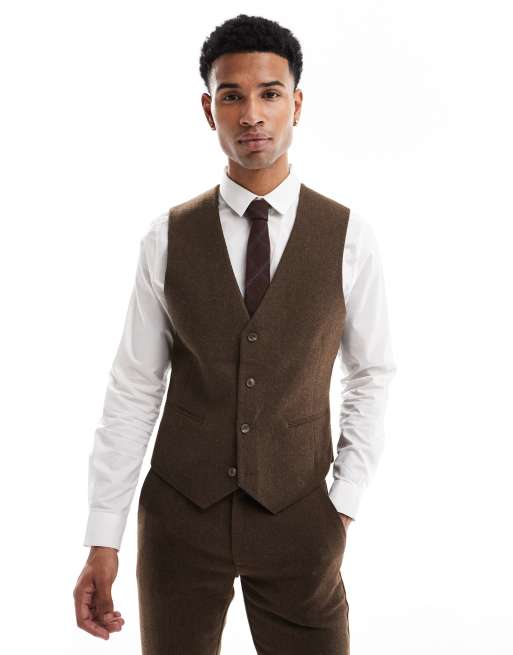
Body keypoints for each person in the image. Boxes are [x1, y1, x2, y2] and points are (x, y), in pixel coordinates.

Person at [73, 13, 397, 654]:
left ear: (295, 104)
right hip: (180, 520)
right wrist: (103, 537)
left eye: (270, 93)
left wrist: (343, 501)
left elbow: (372, 374)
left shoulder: (350, 238)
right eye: (232, 95)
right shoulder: (167, 238)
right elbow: (134, 388)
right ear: (209, 109)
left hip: (300, 518)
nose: (252, 114)